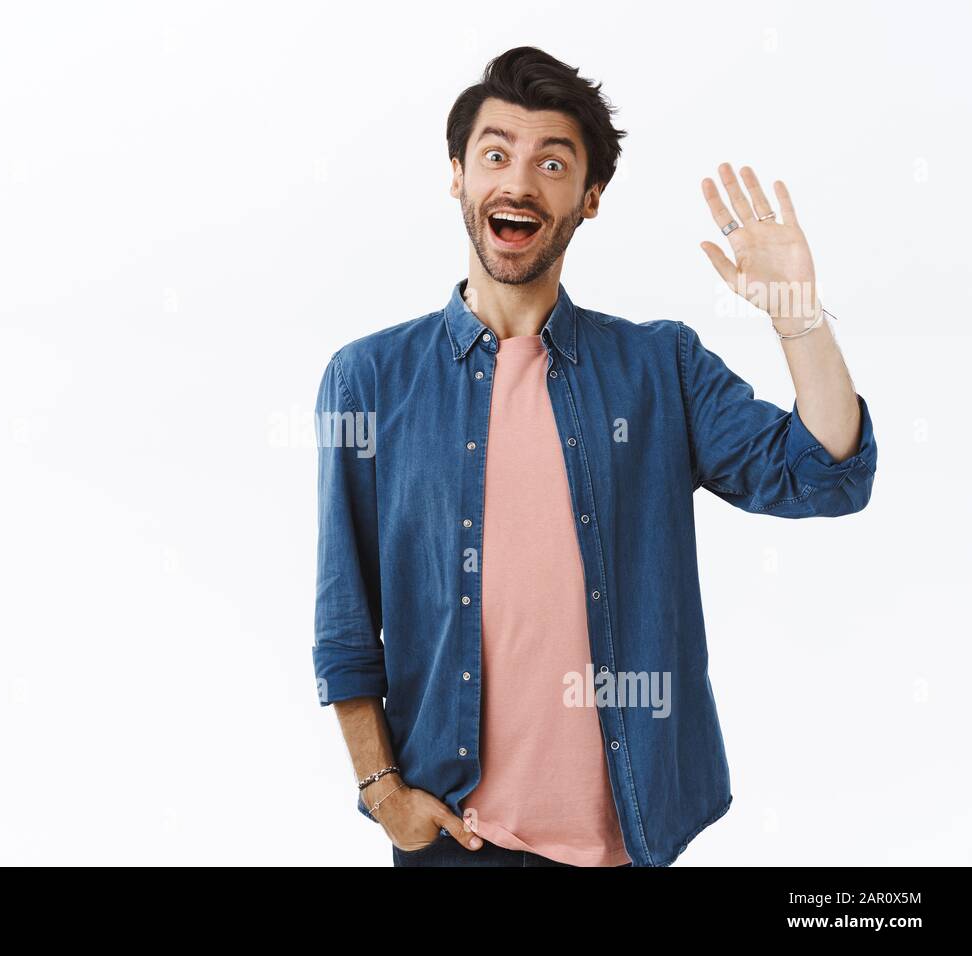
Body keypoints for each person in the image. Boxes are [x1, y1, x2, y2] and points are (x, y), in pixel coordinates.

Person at [311, 46, 877, 867]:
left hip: (632, 838)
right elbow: (344, 618)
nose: (519, 181)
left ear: (590, 198)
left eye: (552, 162)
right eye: (496, 154)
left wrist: (798, 317)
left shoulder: (659, 368)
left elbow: (825, 474)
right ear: (459, 177)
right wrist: (382, 792)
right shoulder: (367, 379)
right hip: (454, 833)